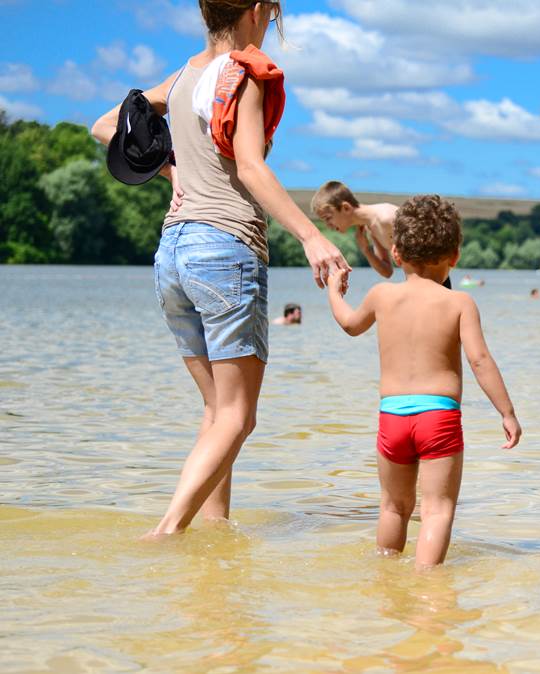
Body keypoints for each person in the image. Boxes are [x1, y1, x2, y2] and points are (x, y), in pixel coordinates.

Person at [91, 1, 350, 538]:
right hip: (225, 248)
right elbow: (250, 167)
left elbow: (106, 125)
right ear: (257, 10)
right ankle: (167, 532)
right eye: (273, 14)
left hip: (173, 253)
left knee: (217, 414)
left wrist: (171, 171)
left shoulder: (182, 76)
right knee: (238, 416)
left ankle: (214, 536)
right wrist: (312, 236)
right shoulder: (245, 72)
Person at [326, 195, 522, 568]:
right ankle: (428, 586)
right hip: (438, 417)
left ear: (396, 253)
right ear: (455, 257)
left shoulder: (381, 295)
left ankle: (386, 578)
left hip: (392, 416)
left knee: (393, 507)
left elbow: (350, 325)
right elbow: (480, 360)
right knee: (437, 509)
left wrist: (334, 291)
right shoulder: (460, 302)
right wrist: (507, 412)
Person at [311, 181, 399, 279]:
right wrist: (365, 249)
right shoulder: (372, 227)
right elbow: (387, 272)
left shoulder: (387, 218)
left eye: (328, 218)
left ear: (346, 208)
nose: (328, 225)